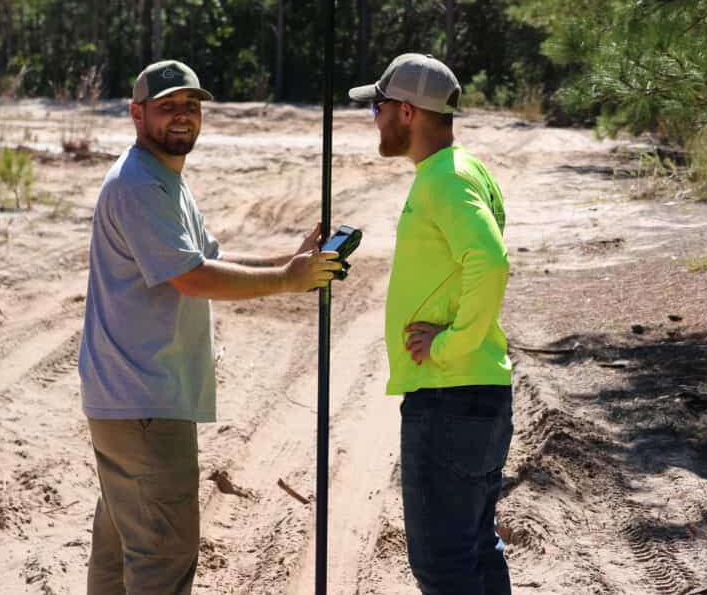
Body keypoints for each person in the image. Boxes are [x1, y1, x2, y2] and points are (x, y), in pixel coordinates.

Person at [77, 59, 341, 595]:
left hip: (128, 401)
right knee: (162, 558)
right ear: (136, 114)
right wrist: (287, 281)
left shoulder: (163, 179)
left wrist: (288, 263)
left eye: (191, 105)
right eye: (168, 106)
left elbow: (208, 259)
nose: (182, 115)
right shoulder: (140, 185)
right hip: (145, 404)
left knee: (121, 554)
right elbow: (192, 278)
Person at [349, 53, 514, 595]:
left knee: (442, 566)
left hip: (449, 396)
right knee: (476, 550)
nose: (375, 119)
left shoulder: (446, 179)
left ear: (406, 111)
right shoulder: (463, 169)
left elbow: (490, 261)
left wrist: (448, 345)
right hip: (474, 393)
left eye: (377, 107)